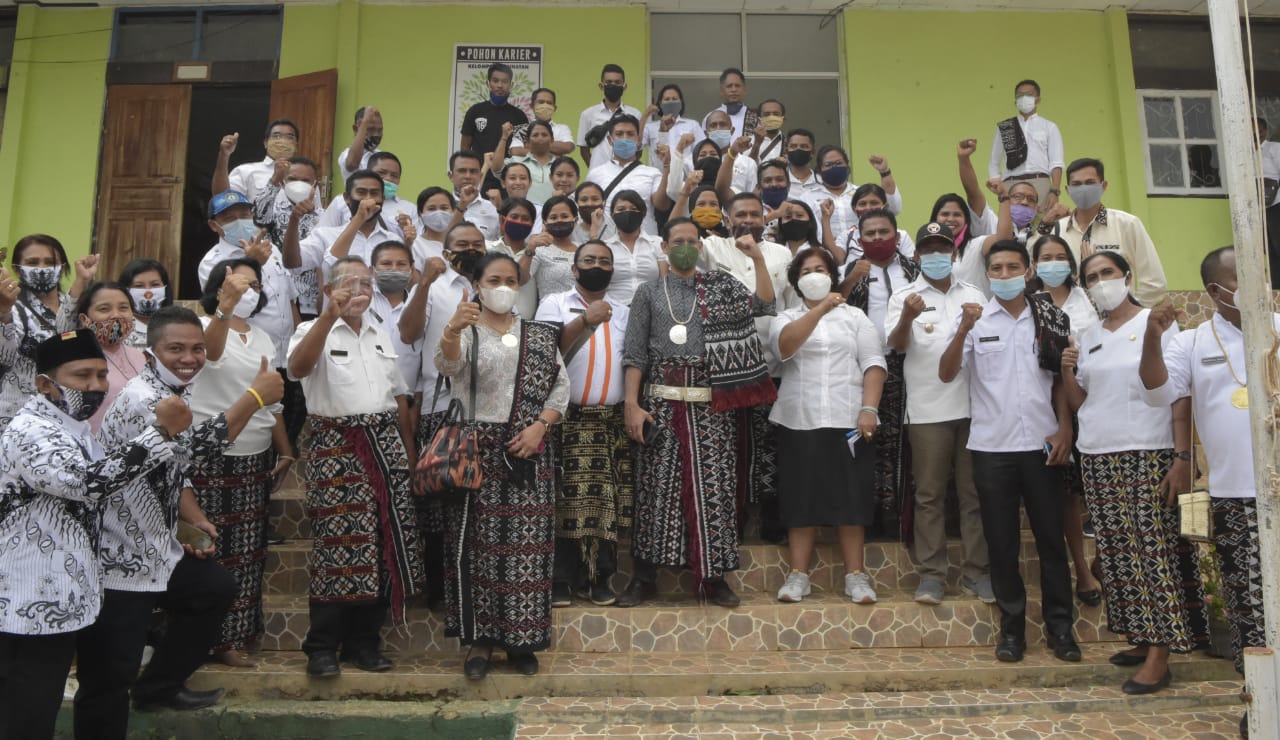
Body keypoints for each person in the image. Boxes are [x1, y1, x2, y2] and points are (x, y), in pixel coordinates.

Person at [82, 306, 281, 735]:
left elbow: (175, 462)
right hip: (120, 559)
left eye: (196, 349)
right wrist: (255, 397)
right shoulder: (143, 398)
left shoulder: (173, 390)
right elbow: (197, 448)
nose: (188, 357)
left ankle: (160, 686)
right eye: (175, 349)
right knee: (109, 678)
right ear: (151, 353)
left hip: (158, 547)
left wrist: (189, 518)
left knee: (213, 588)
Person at [0, 329, 190, 740]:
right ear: (43, 384)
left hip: (64, 597)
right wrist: (160, 433)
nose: (94, 386)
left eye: (102, 376)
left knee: (39, 710)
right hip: (29, 604)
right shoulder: (32, 430)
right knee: (25, 718)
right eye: (81, 376)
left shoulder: (76, 429)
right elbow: (87, 483)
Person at [1138, 246, 1274, 733]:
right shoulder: (1194, 342)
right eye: (1241, 276)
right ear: (1216, 291)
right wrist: (1152, 340)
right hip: (1236, 496)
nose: (1254, 282)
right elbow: (1156, 391)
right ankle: (1260, 702)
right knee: (1247, 604)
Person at [1061, 250, 1208, 695]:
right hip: (1099, 454)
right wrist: (1068, 371)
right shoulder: (1088, 334)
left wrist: (1182, 458)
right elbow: (1082, 403)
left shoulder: (1158, 325)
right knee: (1119, 555)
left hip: (1148, 452)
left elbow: (1179, 395)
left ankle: (1162, 655)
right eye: (1092, 277)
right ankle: (1142, 639)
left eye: (1108, 273)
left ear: (1127, 276)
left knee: (1153, 554)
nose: (1101, 281)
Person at [618, 217, 776, 609]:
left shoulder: (720, 286)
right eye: (678, 241)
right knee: (656, 489)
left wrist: (757, 259)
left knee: (714, 489)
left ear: (701, 248)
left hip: (711, 406)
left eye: (692, 241)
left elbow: (765, 303)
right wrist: (632, 405)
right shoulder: (649, 292)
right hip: (659, 404)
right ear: (665, 248)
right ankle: (645, 576)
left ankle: (714, 576)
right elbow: (635, 354)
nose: (686, 246)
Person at [938, 239, 1078, 665]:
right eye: (995, 268)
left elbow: (1058, 381)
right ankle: (1012, 629)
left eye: (1011, 267)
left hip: (1043, 446)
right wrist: (962, 328)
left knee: (1052, 541)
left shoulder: (1052, 317)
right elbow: (946, 373)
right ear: (987, 273)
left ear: (1028, 269)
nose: (1003, 275)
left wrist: (1065, 430)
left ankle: (1061, 629)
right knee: (1001, 544)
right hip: (992, 448)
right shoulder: (975, 320)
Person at [434, 252, 569, 678]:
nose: (504, 286)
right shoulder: (465, 331)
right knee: (478, 551)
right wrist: (453, 329)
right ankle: (480, 642)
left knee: (527, 552)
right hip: (478, 452)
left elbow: (560, 390)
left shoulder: (540, 335)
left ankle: (522, 642)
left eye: (511, 279)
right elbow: (448, 366)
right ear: (477, 284)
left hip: (527, 453)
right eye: (494, 278)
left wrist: (539, 428)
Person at [287, 256, 423, 678]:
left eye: (367, 284)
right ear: (328, 290)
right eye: (350, 283)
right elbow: (297, 369)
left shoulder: (380, 332)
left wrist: (408, 452)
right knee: (340, 545)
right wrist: (327, 318)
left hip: (385, 445)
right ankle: (323, 646)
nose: (360, 291)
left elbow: (398, 398)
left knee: (382, 542)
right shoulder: (312, 330)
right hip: (337, 445)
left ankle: (365, 642)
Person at [190, 260, 294, 667]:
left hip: (255, 454)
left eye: (255, 284)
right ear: (219, 286)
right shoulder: (201, 326)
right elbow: (209, 358)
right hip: (211, 453)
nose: (249, 290)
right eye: (239, 283)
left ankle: (233, 638)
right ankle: (196, 638)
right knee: (205, 547)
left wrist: (284, 448)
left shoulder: (265, 337)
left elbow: (275, 398)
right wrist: (224, 309)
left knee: (247, 554)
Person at [885, 222, 993, 606]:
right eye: (927, 249)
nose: (935, 255)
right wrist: (907, 319)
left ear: (954, 254)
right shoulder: (905, 296)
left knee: (973, 494)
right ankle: (932, 575)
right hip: (928, 411)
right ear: (917, 256)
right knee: (929, 496)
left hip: (975, 410)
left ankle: (977, 572)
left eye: (942, 248)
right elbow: (897, 347)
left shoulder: (976, 294)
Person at [771, 248, 886, 604]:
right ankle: (798, 575)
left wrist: (869, 409)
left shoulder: (855, 317)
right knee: (799, 497)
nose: (814, 275)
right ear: (796, 281)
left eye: (820, 268)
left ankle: (856, 576)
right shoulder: (785, 316)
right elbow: (784, 349)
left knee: (850, 496)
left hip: (848, 418)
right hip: (798, 419)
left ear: (832, 275)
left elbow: (873, 364)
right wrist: (820, 309)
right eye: (806, 270)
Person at [534, 241, 631, 606]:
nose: (597, 266)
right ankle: (562, 578)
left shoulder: (622, 311)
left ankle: (601, 577)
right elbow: (543, 351)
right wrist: (583, 320)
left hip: (610, 421)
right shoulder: (555, 304)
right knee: (566, 502)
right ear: (574, 269)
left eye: (604, 261)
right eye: (589, 260)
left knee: (607, 503)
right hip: (567, 420)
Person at [399, 223, 483, 610]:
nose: (470, 249)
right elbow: (407, 333)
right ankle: (438, 588)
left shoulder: (499, 283)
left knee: (479, 505)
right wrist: (425, 285)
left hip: (488, 411)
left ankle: (473, 586)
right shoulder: (434, 286)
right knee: (437, 506)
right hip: (441, 408)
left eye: (476, 244)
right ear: (446, 250)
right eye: (461, 245)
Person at [1030, 234, 1102, 606]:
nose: (1053, 263)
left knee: (1103, 489)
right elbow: (1054, 372)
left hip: (1102, 403)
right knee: (1070, 495)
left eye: (1061, 257)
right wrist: (1064, 422)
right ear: (1035, 264)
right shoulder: (1029, 305)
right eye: (1046, 257)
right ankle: (1082, 570)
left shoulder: (1091, 299)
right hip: (1058, 405)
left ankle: (1104, 559)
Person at [840, 208, 919, 538]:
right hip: (863, 366)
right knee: (865, 437)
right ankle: (866, 512)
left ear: (896, 235)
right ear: (859, 238)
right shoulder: (852, 269)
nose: (876, 239)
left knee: (900, 440)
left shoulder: (913, 270)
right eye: (869, 234)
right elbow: (836, 304)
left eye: (883, 232)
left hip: (905, 365)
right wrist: (852, 278)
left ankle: (895, 515)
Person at [199, 190, 299, 383]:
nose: (240, 221)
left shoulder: (271, 249)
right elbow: (233, 307)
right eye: (229, 218)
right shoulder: (212, 263)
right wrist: (252, 263)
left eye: (244, 215)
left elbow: (289, 299)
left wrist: (298, 338)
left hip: (287, 356)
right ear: (214, 225)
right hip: (249, 358)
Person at [1044, 157, 1168, 307]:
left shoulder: (1127, 224)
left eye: (1090, 183)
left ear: (1104, 186)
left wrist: (1129, 313)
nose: (1083, 188)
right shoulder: (1058, 230)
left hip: (1119, 321)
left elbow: (1154, 282)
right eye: (1076, 184)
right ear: (1067, 190)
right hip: (1073, 322)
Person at [0, 234, 89, 431]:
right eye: (32, 262)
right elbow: (4, 356)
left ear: (63, 266)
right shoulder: (13, 307)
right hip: (17, 419)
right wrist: (4, 312)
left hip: (66, 419)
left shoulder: (77, 305)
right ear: (16, 268)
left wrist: (81, 282)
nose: (42, 268)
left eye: (50, 262)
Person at [255, 156, 323, 323]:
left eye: (305, 180)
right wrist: (275, 180)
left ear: (315, 184)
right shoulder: (273, 212)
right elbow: (259, 216)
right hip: (279, 295)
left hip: (311, 300)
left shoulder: (325, 217)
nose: (298, 184)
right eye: (292, 179)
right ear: (284, 182)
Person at [288, 171, 400, 272]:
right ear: (347, 198)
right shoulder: (325, 235)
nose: (368, 199)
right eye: (361, 192)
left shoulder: (393, 240)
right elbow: (292, 264)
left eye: (374, 193)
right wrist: (294, 219)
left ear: (383, 199)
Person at [75, 281, 145, 433]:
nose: (116, 315)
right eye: (104, 309)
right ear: (84, 319)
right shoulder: (75, 360)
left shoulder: (141, 357)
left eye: (123, 308)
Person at [586, 114, 670, 237]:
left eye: (630, 134)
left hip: (646, 245)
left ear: (638, 140)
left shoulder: (652, 173)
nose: (625, 138)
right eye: (619, 134)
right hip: (608, 246)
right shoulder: (595, 174)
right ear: (610, 140)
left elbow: (662, 205)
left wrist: (667, 167)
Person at [988, 80, 1064, 213]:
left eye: (1029, 94)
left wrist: (1054, 191)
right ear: (1015, 101)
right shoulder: (1006, 128)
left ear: (1038, 99)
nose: (1024, 98)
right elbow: (994, 162)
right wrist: (998, 185)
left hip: (1040, 182)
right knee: (1010, 226)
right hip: (1011, 183)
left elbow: (1056, 162)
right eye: (1019, 95)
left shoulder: (1049, 127)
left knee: (1040, 224)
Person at [804, 146, 900, 247]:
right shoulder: (807, 197)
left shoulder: (861, 194)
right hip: (825, 253)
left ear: (847, 165)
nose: (834, 167)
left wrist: (884, 171)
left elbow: (894, 209)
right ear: (819, 169)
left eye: (839, 163)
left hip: (861, 251)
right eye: (828, 164)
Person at [461, 63, 531, 194]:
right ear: (488, 83)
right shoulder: (475, 111)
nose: (500, 85)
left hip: (509, 180)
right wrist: (468, 173)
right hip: (481, 177)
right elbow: (465, 147)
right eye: (495, 81)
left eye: (505, 81)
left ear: (511, 84)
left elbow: (523, 150)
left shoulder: (519, 116)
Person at [318, 152, 421, 239]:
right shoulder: (343, 201)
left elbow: (417, 245)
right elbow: (323, 233)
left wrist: (407, 231)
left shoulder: (409, 208)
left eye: (394, 175)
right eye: (382, 173)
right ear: (368, 172)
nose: (388, 178)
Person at [212, 119, 300, 202]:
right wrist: (224, 155)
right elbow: (223, 198)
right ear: (266, 143)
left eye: (289, 137)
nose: (282, 141)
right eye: (276, 136)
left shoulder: (304, 175)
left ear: (296, 146)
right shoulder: (246, 171)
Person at [487, 196, 543, 319]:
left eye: (525, 219)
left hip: (524, 326)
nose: (519, 222)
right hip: (491, 322)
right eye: (514, 217)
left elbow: (521, 279)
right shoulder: (488, 249)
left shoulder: (538, 252)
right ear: (503, 220)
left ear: (532, 224)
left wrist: (530, 250)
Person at [578, 64, 643, 169]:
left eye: (617, 82)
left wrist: (627, 168)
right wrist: (596, 169)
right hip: (598, 177)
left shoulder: (635, 114)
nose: (613, 85)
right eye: (609, 82)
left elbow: (639, 150)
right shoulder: (588, 114)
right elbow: (584, 149)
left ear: (624, 86)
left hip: (625, 174)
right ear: (601, 86)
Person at [604, 189, 662, 305]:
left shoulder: (657, 243)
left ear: (643, 213)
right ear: (612, 215)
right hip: (615, 310)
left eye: (634, 209)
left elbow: (664, 281)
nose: (628, 212)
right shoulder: (605, 247)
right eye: (621, 209)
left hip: (653, 308)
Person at [521, 196, 581, 306]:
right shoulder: (538, 249)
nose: (559, 220)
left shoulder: (584, 249)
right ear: (545, 222)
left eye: (564, 216)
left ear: (575, 219)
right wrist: (530, 249)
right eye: (553, 217)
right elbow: (520, 279)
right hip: (550, 313)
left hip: (583, 313)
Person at [840, 184, 915, 262]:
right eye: (862, 204)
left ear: (885, 207)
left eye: (874, 203)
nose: (868, 208)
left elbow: (912, 264)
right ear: (854, 209)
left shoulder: (902, 236)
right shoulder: (847, 236)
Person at [641, 84, 706, 169]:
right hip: (658, 177)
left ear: (681, 103)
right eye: (667, 99)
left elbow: (702, 151)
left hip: (685, 178)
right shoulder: (650, 127)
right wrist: (645, 115)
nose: (671, 102)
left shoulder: (692, 125)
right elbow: (637, 145)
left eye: (674, 99)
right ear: (660, 103)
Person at [118, 258, 173, 348]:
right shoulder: (117, 329)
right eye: (139, 286)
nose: (148, 292)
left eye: (155, 285)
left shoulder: (179, 324)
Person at [448, 150, 500, 240]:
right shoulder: (440, 208)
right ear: (450, 176)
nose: (468, 176)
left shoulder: (493, 209)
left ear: (480, 176)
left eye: (473, 171)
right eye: (462, 171)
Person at [509, 87, 576, 158]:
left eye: (549, 103)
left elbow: (568, 147)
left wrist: (532, 146)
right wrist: (552, 151)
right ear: (532, 106)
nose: (545, 106)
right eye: (541, 102)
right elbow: (515, 151)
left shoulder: (562, 128)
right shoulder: (523, 130)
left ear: (555, 108)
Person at [505, 120, 558, 205]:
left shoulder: (560, 164)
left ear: (552, 139)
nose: (540, 138)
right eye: (535, 135)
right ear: (527, 141)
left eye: (544, 135)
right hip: (524, 214)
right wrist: (503, 138)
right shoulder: (516, 161)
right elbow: (497, 169)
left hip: (552, 215)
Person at [702, 68, 758, 140]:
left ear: (744, 89)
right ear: (722, 90)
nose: (733, 90)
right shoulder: (711, 117)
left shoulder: (754, 116)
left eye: (737, 86)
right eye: (729, 86)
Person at [414, 186, 456, 271]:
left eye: (444, 208)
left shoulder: (462, 243)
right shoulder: (415, 246)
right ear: (420, 214)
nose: (439, 213)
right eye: (431, 209)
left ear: (453, 211)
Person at [1260, 118, 1280, 287]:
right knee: (1268, 248)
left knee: (1278, 243)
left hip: (1276, 204)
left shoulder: (1274, 148)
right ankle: (1275, 287)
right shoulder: (1244, 150)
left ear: (1265, 130)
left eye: (1258, 130)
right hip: (1258, 206)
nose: (1255, 134)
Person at [340, 106, 383, 181]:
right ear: (356, 129)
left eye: (380, 130)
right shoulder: (347, 155)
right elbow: (352, 164)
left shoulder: (381, 155)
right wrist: (365, 121)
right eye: (370, 129)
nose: (376, 134)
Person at [751, 99, 787, 165]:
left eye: (776, 114)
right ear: (759, 119)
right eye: (766, 114)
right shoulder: (748, 142)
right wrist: (756, 144)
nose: (771, 117)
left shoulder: (789, 143)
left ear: (783, 118)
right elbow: (746, 167)